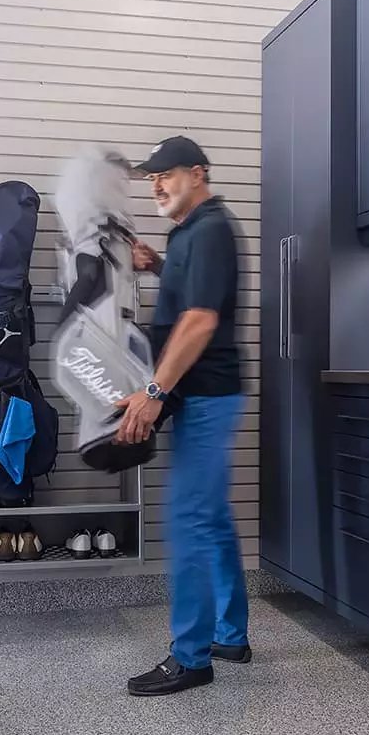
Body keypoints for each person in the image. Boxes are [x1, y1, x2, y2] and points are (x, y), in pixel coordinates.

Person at [114, 135, 249, 697]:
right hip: (198, 393)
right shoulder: (192, 233)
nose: (157, 186)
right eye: (151, 179)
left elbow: (199, 320)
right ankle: (231, 633)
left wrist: (152, 391)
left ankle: (191, 657)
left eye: (165, 175)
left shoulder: (212, 228)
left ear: (197, 173)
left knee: (189, 522)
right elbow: (194, 288)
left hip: (204, 395)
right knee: (210, 518)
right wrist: (159, 264)